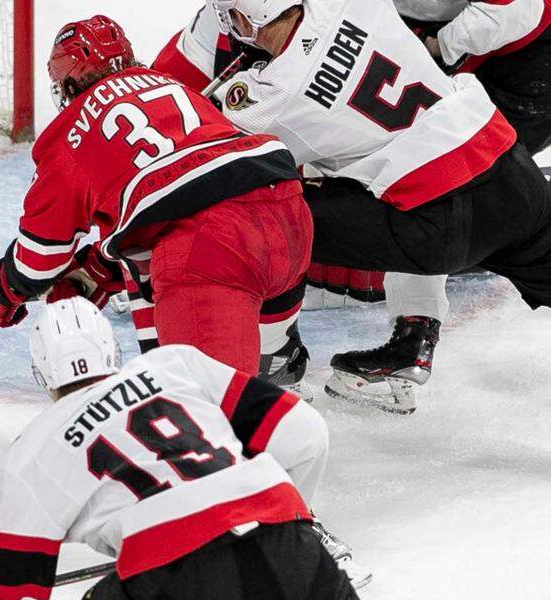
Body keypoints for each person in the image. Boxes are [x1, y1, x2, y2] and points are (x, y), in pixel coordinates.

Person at [161, 0, 551, 413]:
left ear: (248, 18)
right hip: (509, 170)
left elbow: (203, 157)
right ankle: (412, 339)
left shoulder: (268, 99)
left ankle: (276, 356)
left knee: (256, 211)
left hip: (435, 224)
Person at [0, 298, 379, 600]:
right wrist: (273, 524)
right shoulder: (174, 364)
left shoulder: (31, 450)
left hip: (174, 586)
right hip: (291, 552)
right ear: (112, 351)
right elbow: (304, 435)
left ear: (41, 373)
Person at [0, 15, 313, 390]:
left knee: (202, 402)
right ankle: (276, 362)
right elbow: (180, 188)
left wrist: (3, 288)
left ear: (67, 83)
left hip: (208, 248)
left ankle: (233, 395)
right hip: (286, 212)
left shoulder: (68, 133)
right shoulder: (175, 87)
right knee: (258, 365)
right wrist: (102, 266)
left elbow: (39, 260)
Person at [325, 0, 551, 414]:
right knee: (434, 184)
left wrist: (438, 47)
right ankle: (412, 340)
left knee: (441, 183)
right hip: (473, 57)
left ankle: (413, 339)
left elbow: (514, 8)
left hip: (519, 63)